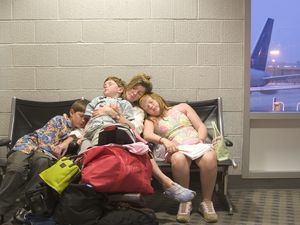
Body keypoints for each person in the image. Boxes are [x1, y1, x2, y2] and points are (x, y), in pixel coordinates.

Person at [91, 73, 196, 203]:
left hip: (125, 140)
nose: (135, 93)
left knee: (142, 148)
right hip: (101, 136)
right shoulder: (103, 100)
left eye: (140, 93)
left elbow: (136, 128)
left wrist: (114, 114)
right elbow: (90, 119)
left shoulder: (137, 111)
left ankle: (167, 184)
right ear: (127, 86)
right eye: (134, 88)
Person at [0, 99, 89, 224]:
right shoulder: (60, 120)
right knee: (17, 169)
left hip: (43, 155)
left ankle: (24, 209)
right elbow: (46, 143)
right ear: (71, 112)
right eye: (81, 116)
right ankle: (1, 209)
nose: (83, 120)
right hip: (27, 146)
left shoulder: (78, 132)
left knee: (43, 164)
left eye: (86, 118)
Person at [139, 92, 218, 223]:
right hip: (175, 147)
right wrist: (164, 141)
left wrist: (201, 139)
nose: (151, 107)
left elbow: (200, 126)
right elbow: (147, 135)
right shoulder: (150, 120)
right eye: (147, 107)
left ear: (158, 98)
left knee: (209, 157)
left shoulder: (182, 107)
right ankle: (185, 202)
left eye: (151, 102)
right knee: (178, 159)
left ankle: (207, 202)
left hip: (196, 142)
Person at [80, 76, 135, 152]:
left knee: (94, 151)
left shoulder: (124, 103)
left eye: (110, 84)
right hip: (90, 130)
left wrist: (114, 113)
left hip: (104, 129)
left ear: (120, 89)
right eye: (104, 85)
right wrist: (82, 135)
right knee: (82, 154)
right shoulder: (98, 99)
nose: (106, 86)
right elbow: (89, 118)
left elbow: (129, 125)